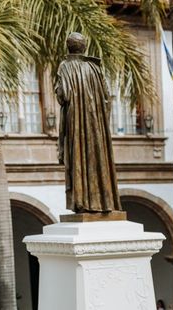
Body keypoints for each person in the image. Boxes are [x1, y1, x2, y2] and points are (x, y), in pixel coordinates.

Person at [56, 32, 121, 214]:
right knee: (98, 158)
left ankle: (82, 201)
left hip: (76, 122)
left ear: (68, 47)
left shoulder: (65, 66)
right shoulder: (95, 68)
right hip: (96, 125)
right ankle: (104, 202)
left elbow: (62, 95)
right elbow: (107, 97)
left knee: (78, 157)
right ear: (84, 47)